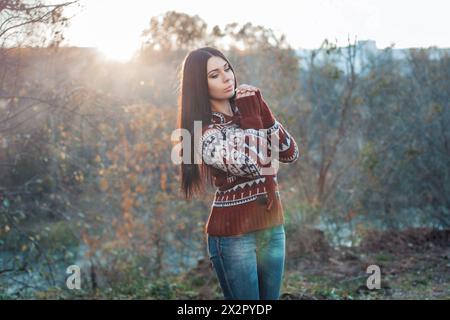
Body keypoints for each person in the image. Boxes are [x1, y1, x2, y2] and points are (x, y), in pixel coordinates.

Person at [176, 47, 299, 300]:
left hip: (272, 228)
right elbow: (249, 163)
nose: (226, 77)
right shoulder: (202, 132)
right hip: (234, 237)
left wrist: (262, 109)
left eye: (227, 69)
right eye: (214, 75)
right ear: (199, 84)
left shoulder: (248, 110)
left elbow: (289, 152)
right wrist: (254, 118)